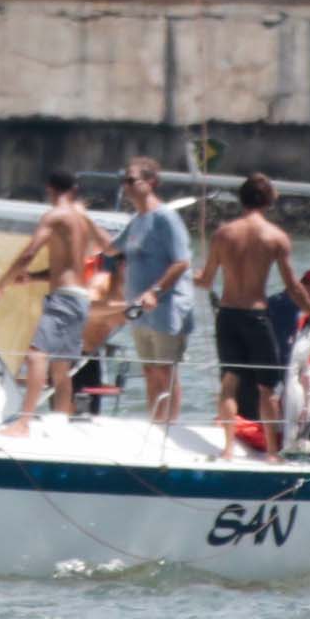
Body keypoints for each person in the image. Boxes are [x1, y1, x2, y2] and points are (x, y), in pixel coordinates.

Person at [0, 171, 107, 435]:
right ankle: (60, 422)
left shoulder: (54, 217)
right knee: (61, 367)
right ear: (73, 190)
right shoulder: (81, 221)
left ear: (50, 189)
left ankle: (23, 423)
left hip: (63, 299)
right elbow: (69, 267)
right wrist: (33, 277)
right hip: (79, 298)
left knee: (36, 356)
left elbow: (29, 253)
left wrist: (1, 285)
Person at [206, 173, 310, 438]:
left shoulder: (222, 234)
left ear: (242, 199)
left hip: (227, 314)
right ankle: (272, 450)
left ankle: (228, 447)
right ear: (269, 202)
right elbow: (293, 286)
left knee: (229, 383)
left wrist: (192, 278)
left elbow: (205, 280)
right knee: (267, 387)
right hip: (255, 315)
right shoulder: (275, 237)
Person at [92, 155, 197, 425]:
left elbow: (182, 261)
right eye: (123, 180)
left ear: (151, 182)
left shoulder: (165, 218)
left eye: (130, 180)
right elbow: (112, 249)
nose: (125, 186)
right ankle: (155, 423)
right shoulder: (137, 220)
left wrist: (155, 291)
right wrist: (86, 222)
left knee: (166, 372)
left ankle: (169, 427)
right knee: (150, 371)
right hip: (139, 310)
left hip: (166, 307)